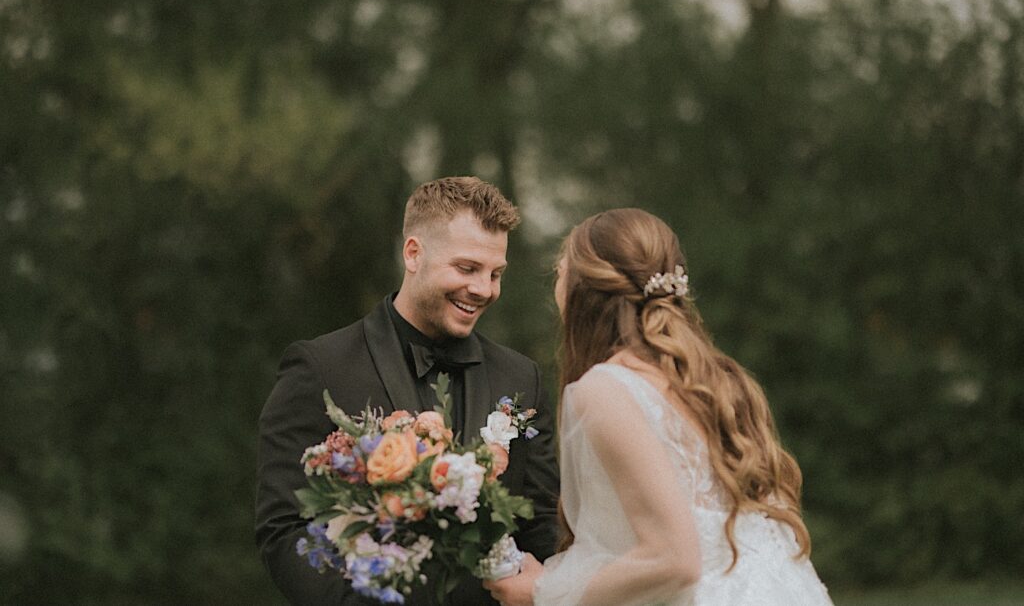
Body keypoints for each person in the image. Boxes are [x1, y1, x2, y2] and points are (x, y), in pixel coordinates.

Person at [485, 208, 832, 606]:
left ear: (586, 289)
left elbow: (675, 560)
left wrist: (543, 591)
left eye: (561, 272)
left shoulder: (604, 390)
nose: (556, 285)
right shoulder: (713, 379)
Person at [256, 176, 560, 605]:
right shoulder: (321, 368)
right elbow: (285, 528)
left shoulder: (520, 379)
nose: (484, 289)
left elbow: (542, 525)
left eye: (496, 274)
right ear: (413, 253)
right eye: (467, 268)